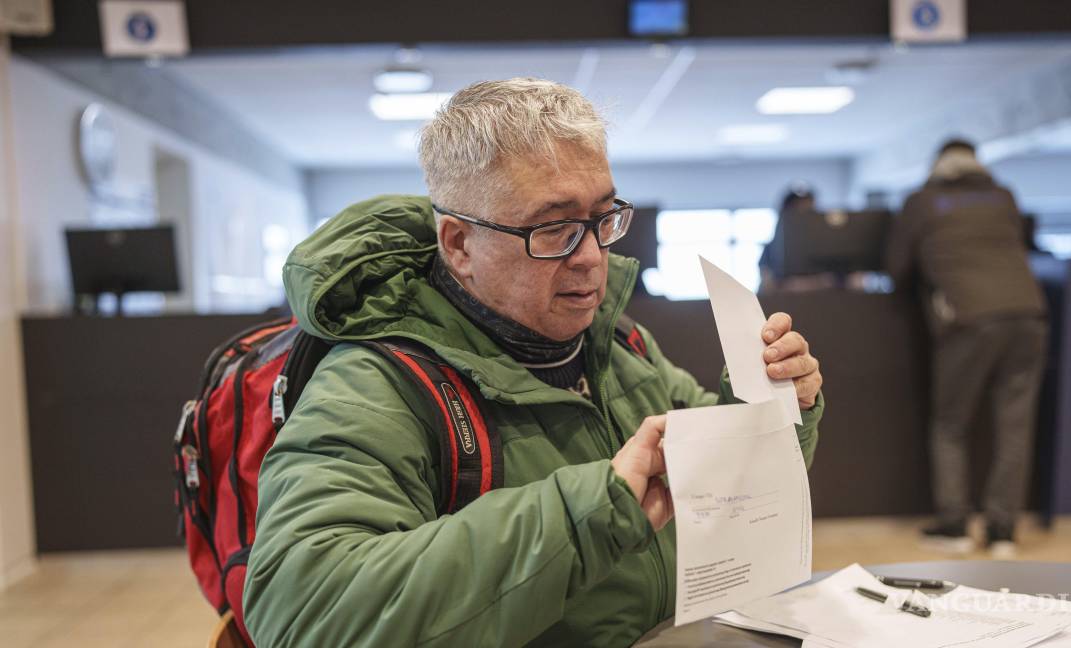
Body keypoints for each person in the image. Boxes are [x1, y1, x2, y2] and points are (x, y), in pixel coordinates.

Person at [243, 78, 826, 647]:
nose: (593, 257)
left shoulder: (617, 343)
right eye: (554, 228)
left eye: (603, 218)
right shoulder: (377, 385)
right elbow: (302, 615)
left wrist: (770, 408)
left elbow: (723, 484)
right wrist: (591, 514)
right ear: (459, 245)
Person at [887, 138, 1047, 558]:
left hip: (969, 318)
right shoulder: (1003, 196)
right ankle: (1002, 532)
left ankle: (954, 524)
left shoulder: (922, 201)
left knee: (950, 424)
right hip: (1028, 313)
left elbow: (897, 268)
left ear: (937, 165)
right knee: (1015, 425)